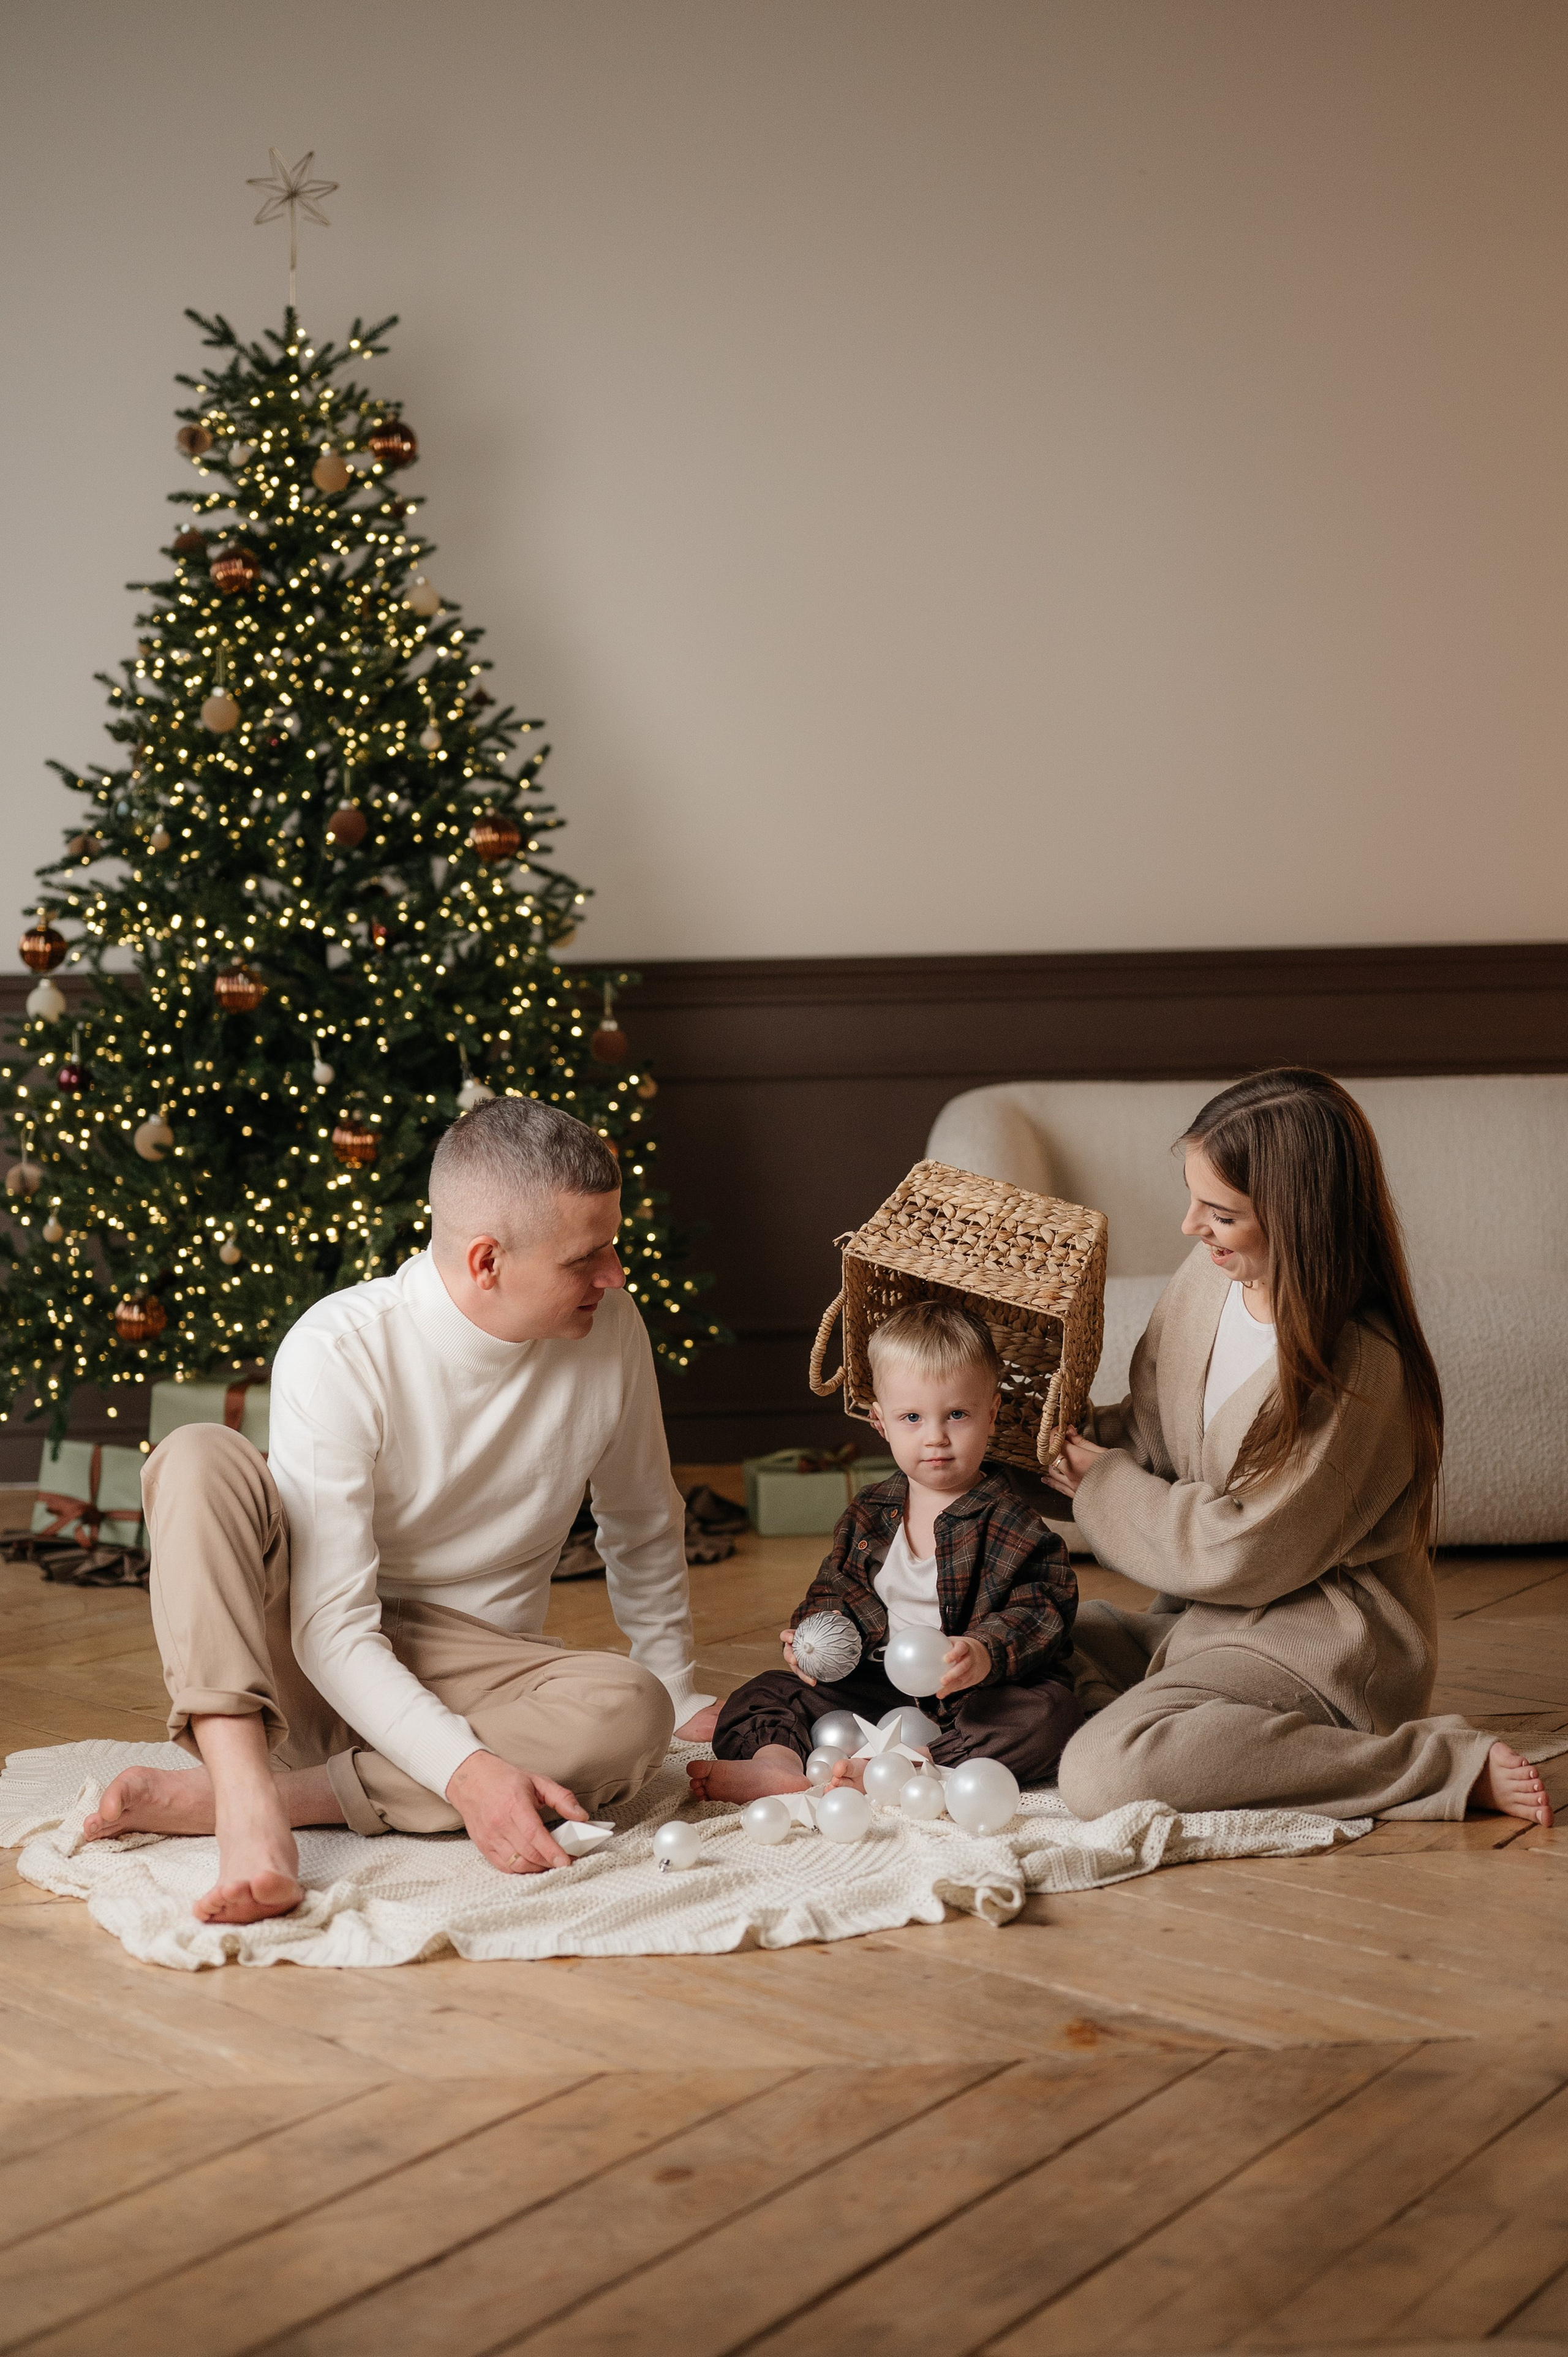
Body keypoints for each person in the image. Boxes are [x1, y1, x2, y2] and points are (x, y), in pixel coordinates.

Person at [83, 1096, 719, 1923]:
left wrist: (673, 1682)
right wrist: (468, 1773)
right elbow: (329, 1626)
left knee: (635, 1708)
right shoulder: (341, 1347)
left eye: (613, 1245)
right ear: (487, 1261)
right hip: (307, 1654)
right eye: (586, 1257)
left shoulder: (611, 1328)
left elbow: (641, 1514)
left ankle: (264, 1798)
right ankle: (244, 1802)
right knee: (196, 1456)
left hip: (476, 1673)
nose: (615, 1274)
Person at [1045, 1068, 1553, 1830]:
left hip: (1316, 1643)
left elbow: (1244, 1551)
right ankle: (1197, 1726)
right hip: (1201, 1624)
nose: (1189, 1226)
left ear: (1296, 1219)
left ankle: (1433, 1765)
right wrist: (1003, 1440)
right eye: (1193, 1198)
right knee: (1026, 1635)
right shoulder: (1206, 1280)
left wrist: (1098, 1482)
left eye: (1220, 1212)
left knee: (1105, 1771)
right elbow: (1147, 1440)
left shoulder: (1357, 1368)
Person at [688, 1301, 1081, 1804]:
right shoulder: (870, 1511)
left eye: (957, 1415)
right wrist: (811, 1633)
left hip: (969, 1695)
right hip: (873, 1684)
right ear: (880, 1422)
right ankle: (776, 1762)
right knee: (761, 1693)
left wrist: (984, 1652)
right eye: (912, 1418)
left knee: (1051, 1716)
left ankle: (915, 1762)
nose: (936, 1438)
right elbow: (836, 1588)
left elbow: (1043, 1607)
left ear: (991, 1413)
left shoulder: (1013, 1521)